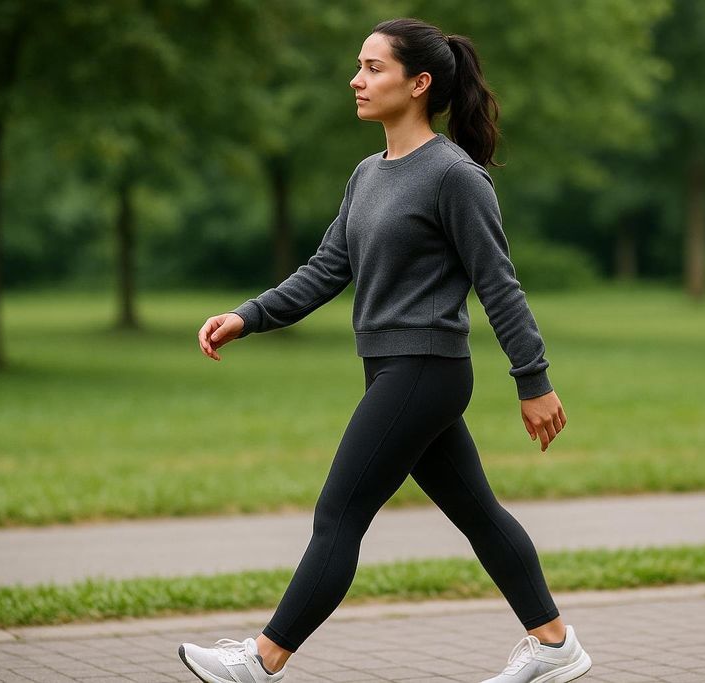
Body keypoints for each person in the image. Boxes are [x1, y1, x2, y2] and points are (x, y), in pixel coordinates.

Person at [179, 17, 592, 683]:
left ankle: (263, 657)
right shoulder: (368, 174)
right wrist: (248, 315)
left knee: (339, 512)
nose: (356, 79)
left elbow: (499, 285)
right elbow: (325, 268)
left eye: (373, 67)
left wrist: (533, 378)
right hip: (393, 370)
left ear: (419, 83)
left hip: (426, 370)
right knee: (479, 513)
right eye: (359, 65)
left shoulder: (456, 177)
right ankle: (553, 641)